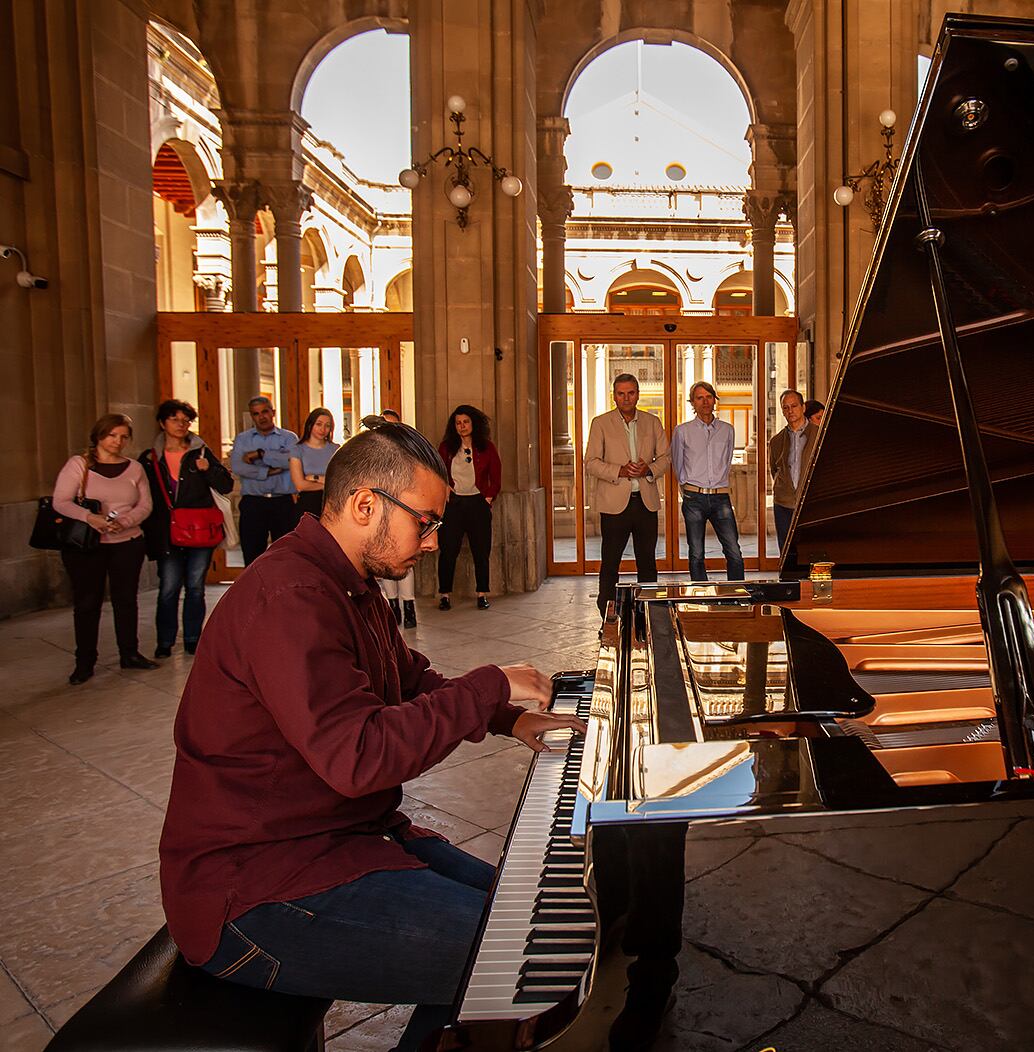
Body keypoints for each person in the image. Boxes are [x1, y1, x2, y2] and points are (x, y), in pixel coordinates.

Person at [157, 422, 585, 1052]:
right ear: (366, 506)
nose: (434, 543)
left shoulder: (348, 584)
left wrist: (508, 718)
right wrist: (490, 686)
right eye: (427, 522)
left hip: (343, 840)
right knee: (528, 955)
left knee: (541, 917)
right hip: (257, 887)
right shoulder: (290, 597)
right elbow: (357, 757)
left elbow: (410, 680)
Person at [52, 413, 156, 684]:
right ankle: (84, 662)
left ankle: (129, 653)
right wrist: (92, 518)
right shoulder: (80, 464)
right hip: (88, 545)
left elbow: (145, 505)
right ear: (99, 436)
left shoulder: (134, 468)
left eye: (123, 437)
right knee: (87, 603)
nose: (118, 441)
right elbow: (60, 502)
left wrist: (125, 521)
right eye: (112, 435)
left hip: (127, 542)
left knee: (126, 600)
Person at [138, 399, 234, 658]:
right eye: (175, 420)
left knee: (195, 586)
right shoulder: (150, 458)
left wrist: (208, 470)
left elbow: (226, 485)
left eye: (186, 421)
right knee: (168, 587)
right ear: (162, 423)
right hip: (166, 531)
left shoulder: (200, 452)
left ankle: (193, 637)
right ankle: (165, 640)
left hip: (200, 530)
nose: (181, 425)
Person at [585, 373, 670, 616]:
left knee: (648, 563)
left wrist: (649, 469)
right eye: (621, 393)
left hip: (645, 504)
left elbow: (666, 457)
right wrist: (619, 471)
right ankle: (608, 615)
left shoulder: (652, 422)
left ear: (638, 394)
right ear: (614, 396)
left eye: (631, 393)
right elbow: (590, 462)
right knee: (610, 564)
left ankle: (650, 614)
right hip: (614, 505)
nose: (626, 398)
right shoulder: (600, 423)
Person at [671, 381, 743, 582]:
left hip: (721, 497)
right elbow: (677, 464)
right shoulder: (682, 431)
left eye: (708, 397)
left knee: (734, 551)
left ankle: (737, 596)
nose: (705, 402)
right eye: (699, 398)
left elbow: (727, 460)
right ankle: (700, 596)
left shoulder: (727, 430)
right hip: (694, 497)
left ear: (714, 400)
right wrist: (687, 486)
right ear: (692, 402)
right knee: (696, 553)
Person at [436, 404, 501, 611]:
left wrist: (488, 498)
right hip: (454, 504)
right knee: (448, 551)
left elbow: (496, 476)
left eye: (465, 422)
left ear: (473, 423)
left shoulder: (486, 447)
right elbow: (438, 471)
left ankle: (482, 594)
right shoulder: (446, 447)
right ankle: (444, 595)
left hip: (477, 503)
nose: (462, 426)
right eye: (458, 423)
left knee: (481, 551)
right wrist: (445, 489)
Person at [363, 411, 418, 628]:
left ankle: (409, 607)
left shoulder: (409, 453)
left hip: (403, 509)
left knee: (405, 556)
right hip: (380, 509)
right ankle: (392, 606)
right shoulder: (370, 452)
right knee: (385, 556)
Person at [230, 396, 298, 564]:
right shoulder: (243, 439)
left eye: (265, 411)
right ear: (252, 416)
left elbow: (292, 461)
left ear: (273, 412)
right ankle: (256, 591)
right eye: (256, 413)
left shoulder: (289, 438)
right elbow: (238, 467)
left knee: (285, 556)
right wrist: (267, 472)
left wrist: (261, 454)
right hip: (253, 503)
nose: (262, 417)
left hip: (283, 503)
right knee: (252, 556)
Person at [768, 389, 819, 550]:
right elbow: (774, 470)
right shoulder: (776, 441)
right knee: (786, 552)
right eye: (785, 407)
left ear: (803, 408)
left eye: (794, 406)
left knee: (812, 551)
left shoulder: (820, 435)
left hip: (811, 504)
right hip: (784, 505)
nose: (790, 410)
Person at [290, 407, 339, 519]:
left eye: (327, 425)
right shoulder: (297, 449)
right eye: (319, 424)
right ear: (310, 425)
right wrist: (326, 484)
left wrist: (314, 477)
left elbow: (339, 480)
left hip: (331, 503)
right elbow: (300, 485)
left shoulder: (335, 449)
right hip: (307, 504)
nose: (323, 429)